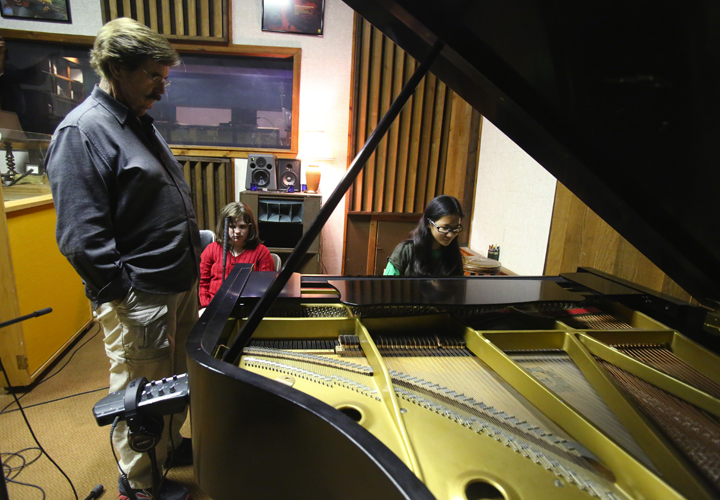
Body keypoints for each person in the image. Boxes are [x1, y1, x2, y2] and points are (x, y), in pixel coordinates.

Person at [45, 18, 200, 500]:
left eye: (164, 74)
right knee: (139, 392)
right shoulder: (83, 131)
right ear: (116, 68)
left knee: (173, 382)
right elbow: (79, 236)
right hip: (141, 293)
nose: (162, 86)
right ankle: (139, 482)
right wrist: (122, 296)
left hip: (174, 282)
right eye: (153, 75)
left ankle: (168, 447)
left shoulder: (135, 122)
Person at [199, 202, 274, 313]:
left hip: (247, 309)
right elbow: (202, 283)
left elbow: (266, 287)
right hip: (212, 307)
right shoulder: (211, 249)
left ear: (250, 228)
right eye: (232, 227)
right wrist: (206, 306)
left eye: (242, 226)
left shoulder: (261, 252)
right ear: (224, 227)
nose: (237, 231)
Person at [384, 195, 465, 276]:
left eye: (455, 228)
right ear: (429, 223)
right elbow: (388, 285)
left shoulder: (454, 254)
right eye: (445, 228)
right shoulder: (406, 250)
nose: (450, 235)